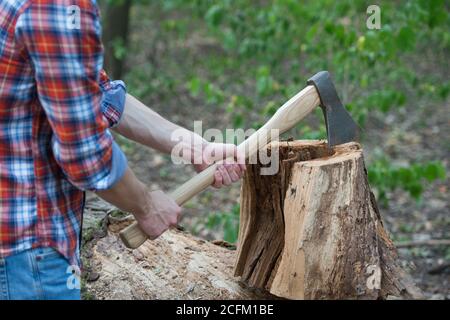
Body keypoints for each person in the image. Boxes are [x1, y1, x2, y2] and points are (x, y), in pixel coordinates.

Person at [0, 0, 245, 300]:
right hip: (26, 253)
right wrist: (145, 205)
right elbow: (84, 151)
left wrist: (194, 146)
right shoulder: (57, 6)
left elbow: (97, 93)